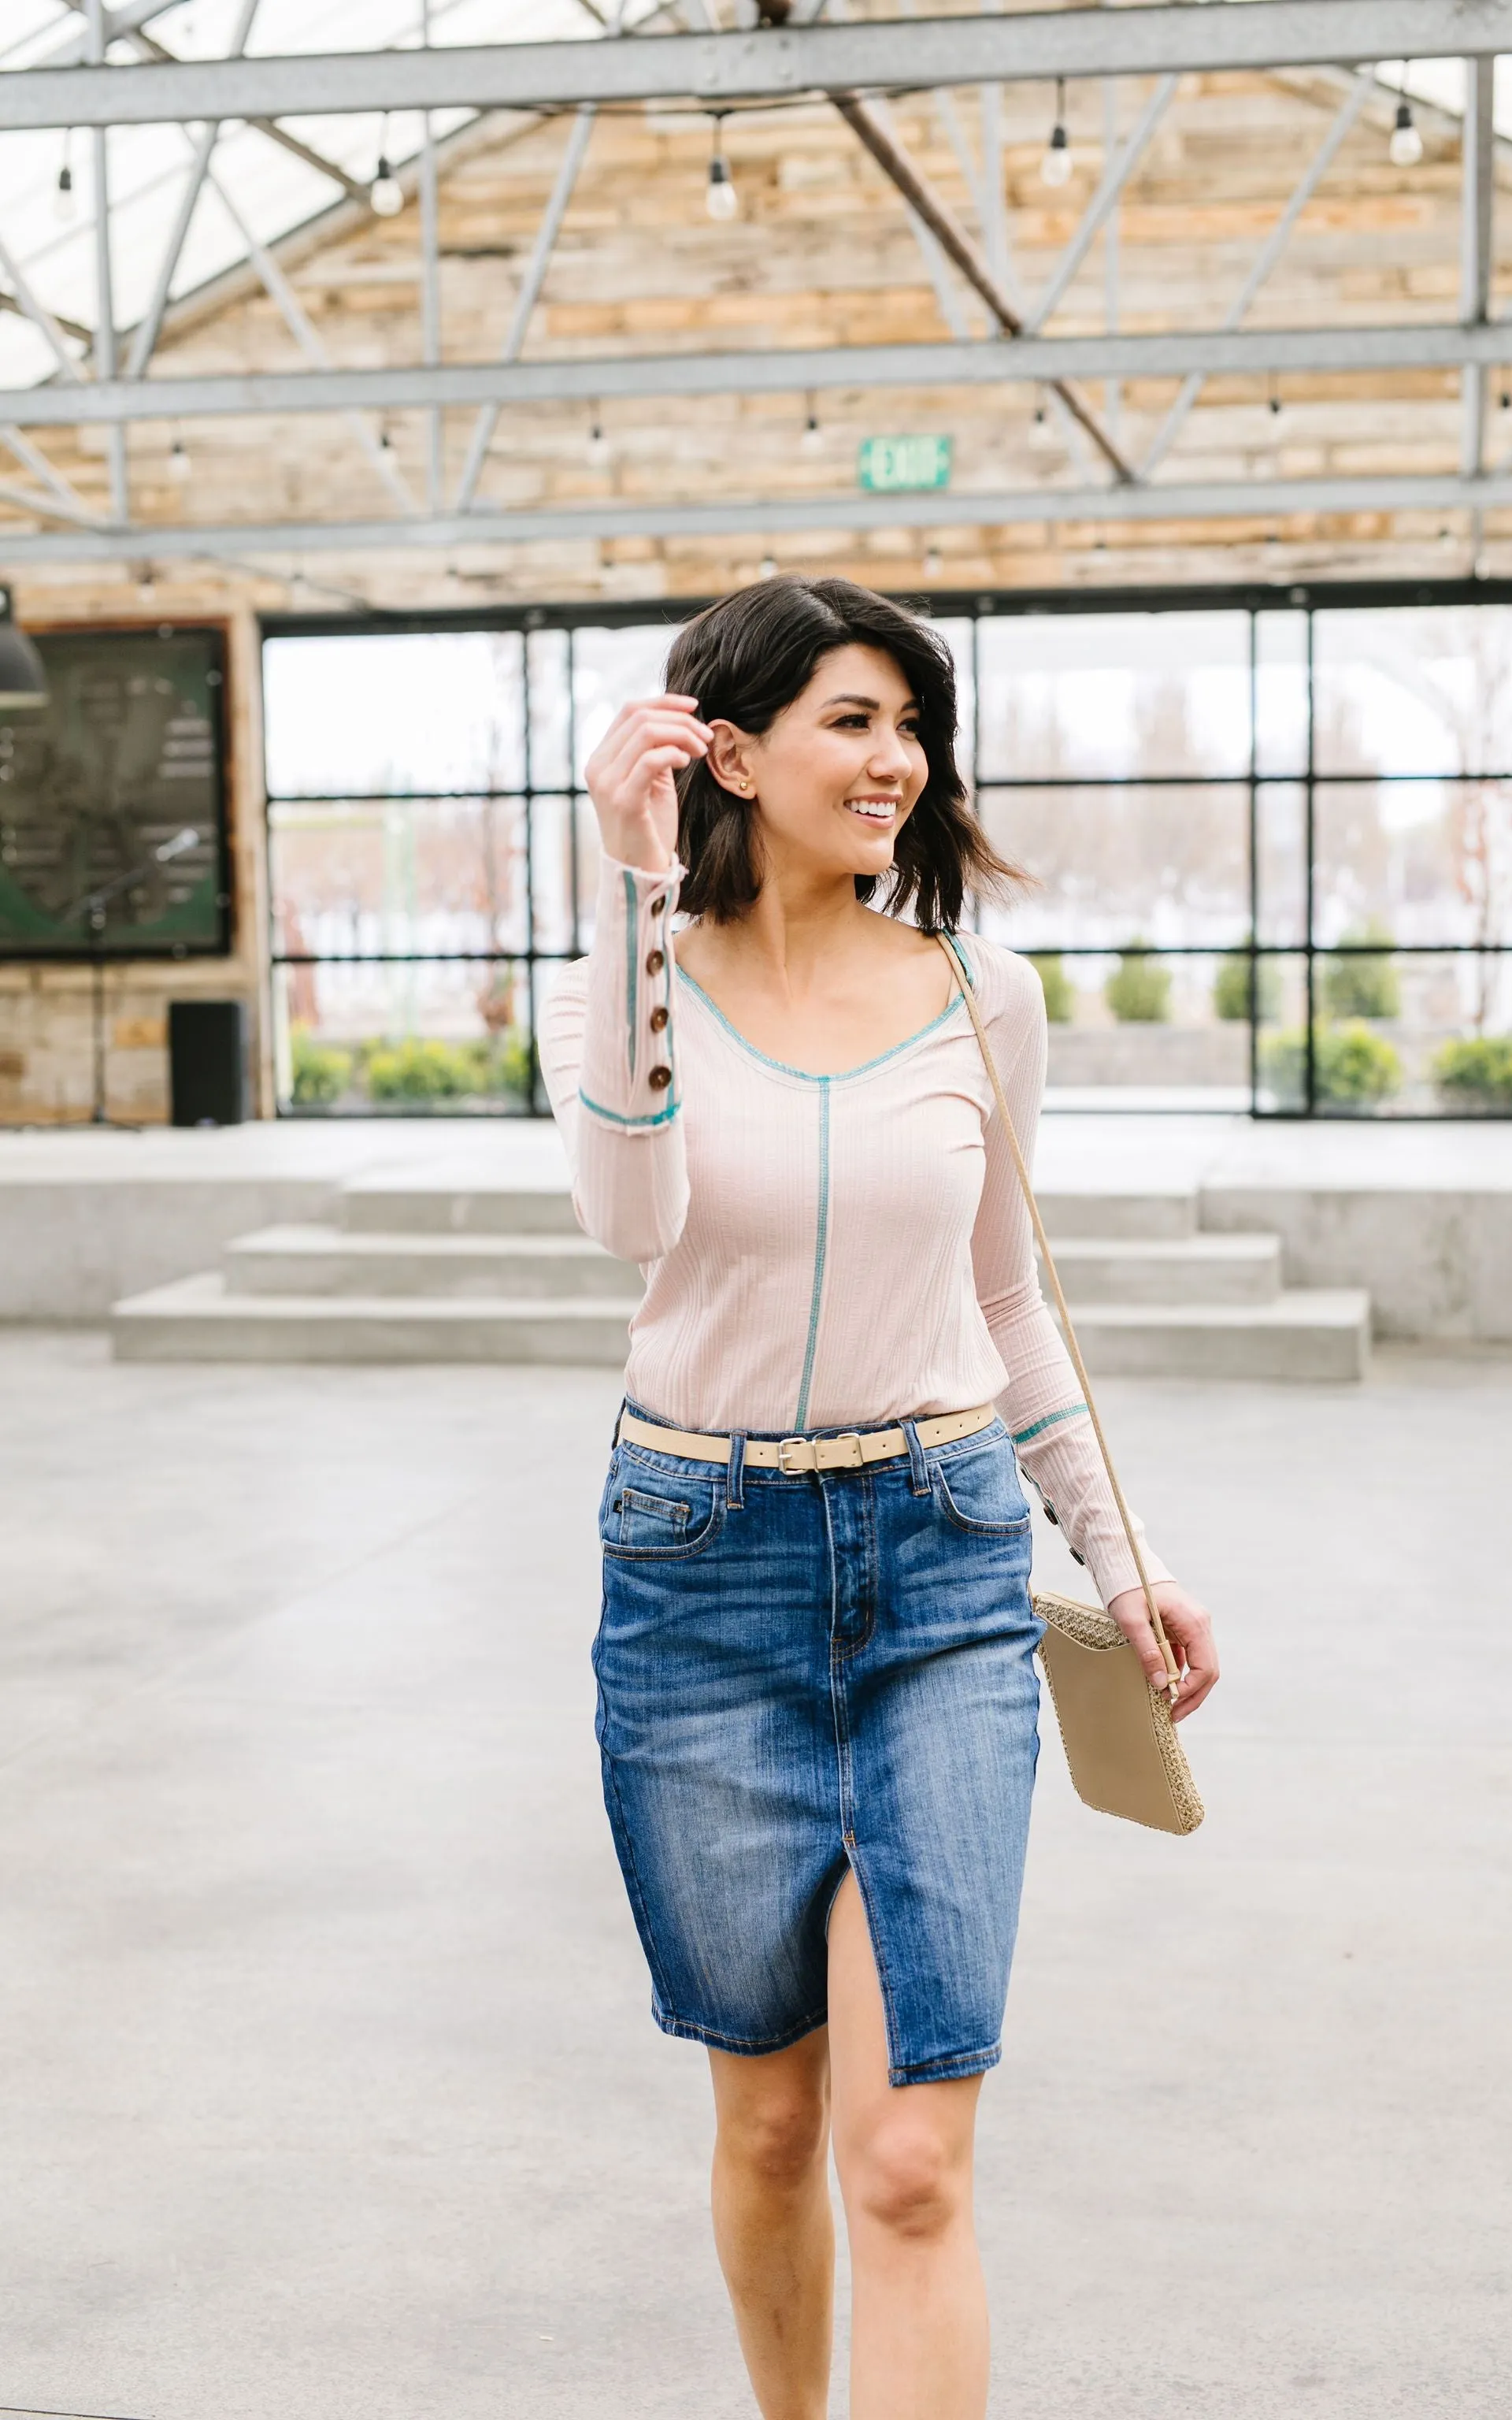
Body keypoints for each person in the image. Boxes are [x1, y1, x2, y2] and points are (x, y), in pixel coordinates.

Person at [539, 575, 1217, 2420]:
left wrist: (1121, 1551)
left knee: (908, 2157)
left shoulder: (976, 992)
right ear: (727, 749)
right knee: (766, 2126)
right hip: (698, 1581)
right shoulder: (631, 972)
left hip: (940, 1568)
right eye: (852, 721)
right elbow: (627, 1221)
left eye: (911, 725)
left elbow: (1007, 1300)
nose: (896, 762)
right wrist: (627, 899)